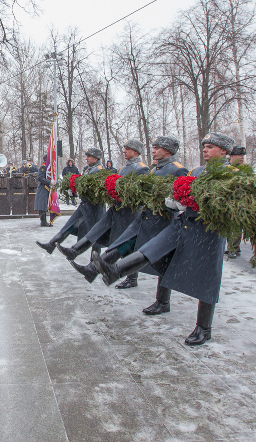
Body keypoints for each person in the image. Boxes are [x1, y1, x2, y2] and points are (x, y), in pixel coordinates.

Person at [94, 132, 234, 346]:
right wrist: (177, 199)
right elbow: (179, 191)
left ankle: (204, 328)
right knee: (152, 247)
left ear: (223, 151)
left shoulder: (231, 174)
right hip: (184, 222)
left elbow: (229, 205)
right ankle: (115, 270)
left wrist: (194, 201)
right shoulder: (198, 170)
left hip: (208, 230)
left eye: (211, 146)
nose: (205, 149)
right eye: (204, 146)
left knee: (207, 277)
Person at [77, 136, 188, 289]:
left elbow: (182, 196)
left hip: (162, 219)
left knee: (161, 258)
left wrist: (174, 203)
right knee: (123, 242)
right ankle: (93, 270)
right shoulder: (155, 168)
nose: (153, 151)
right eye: (153, 147)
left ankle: (162, 301)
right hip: (146, 216)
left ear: (168, 150)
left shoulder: (177, 168)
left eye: (157, 148)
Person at [58, 139, 149, 277]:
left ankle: (130, 276)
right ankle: (81, 257)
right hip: (116, 209)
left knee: (125, 243)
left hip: (129, 212)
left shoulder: (141, 168)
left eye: (127, 149)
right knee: (99, 232)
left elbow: (141, 195)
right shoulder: (123, 169)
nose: (124, 151)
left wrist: (123, 196)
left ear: (135, 151)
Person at [36, 148, 105, 253]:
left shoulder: (99, 169)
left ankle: (94, 262)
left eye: (88, 156)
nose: (86, 158)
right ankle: (52, 244)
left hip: (94, 207)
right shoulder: (88, 168)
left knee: (95, 233)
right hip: (85, 205)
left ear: (95, 158)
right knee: (69, 224)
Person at [226, 145, 247, 258]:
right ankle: (233, 247)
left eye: (243, 155)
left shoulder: (245, 169)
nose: (242, 157)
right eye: (239, 155)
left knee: (236, 226)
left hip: (239, 202)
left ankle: (233, 248)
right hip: (228, 201)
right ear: (231, 156)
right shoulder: (226, 168)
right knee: (230, 226)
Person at [35, 162, 53, 227]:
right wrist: (49, 182)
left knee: (44, 204)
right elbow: (39, 177)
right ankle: (43, 222)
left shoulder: (47, 166)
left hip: (46, 187)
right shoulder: (44, 166)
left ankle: (44, 221)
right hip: (43, 187)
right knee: (42, 205)